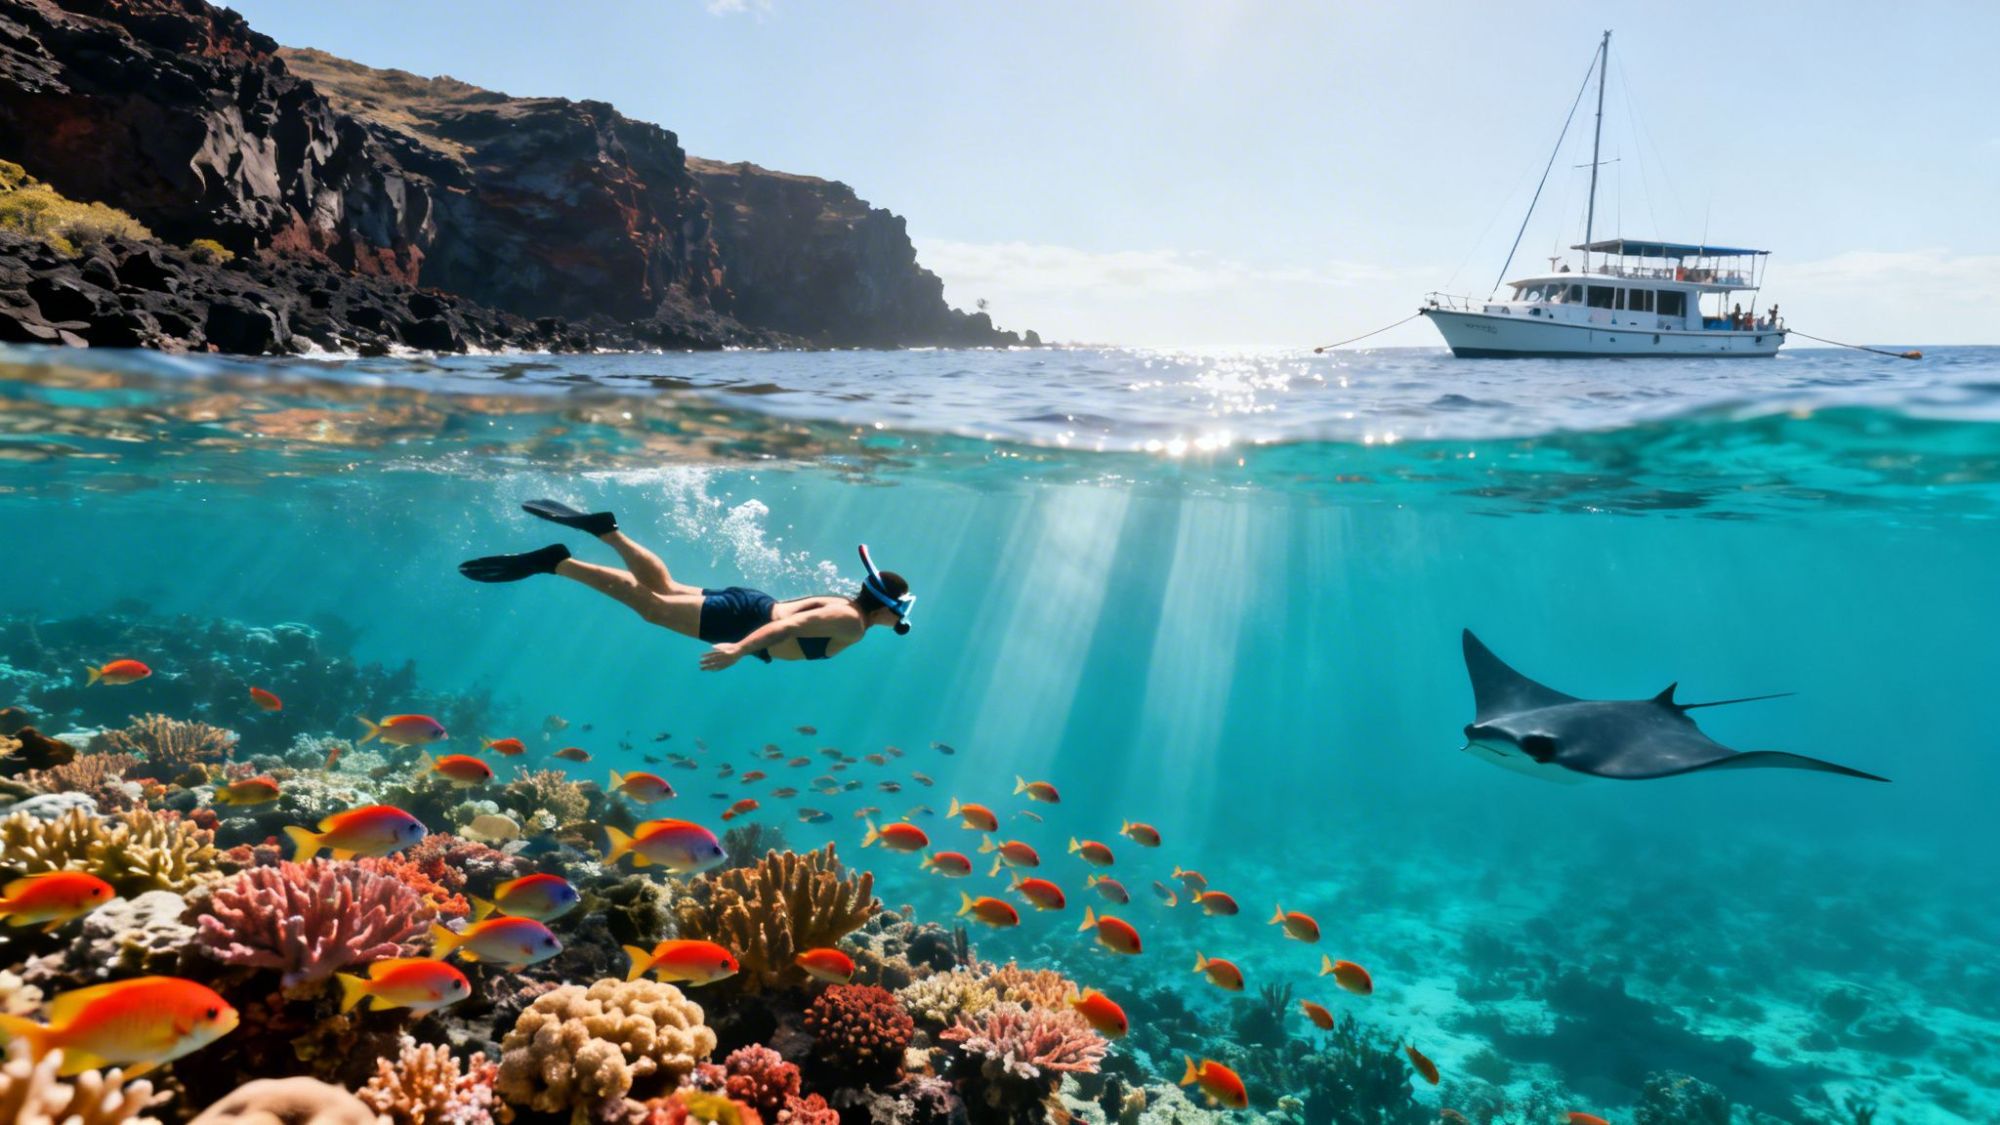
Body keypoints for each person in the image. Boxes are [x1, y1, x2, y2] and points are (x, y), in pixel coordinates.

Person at [458, 501, 914, 670]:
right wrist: (737, 649)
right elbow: (783, 631)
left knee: (664, 584)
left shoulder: (846, 603)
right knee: (653, 606)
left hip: (750, 603)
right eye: (901, 609)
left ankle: (607, 531)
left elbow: (785, 619)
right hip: (746, 622)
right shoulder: (851, 623)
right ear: (884, 608)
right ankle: (559, 563)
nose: (902, 617)